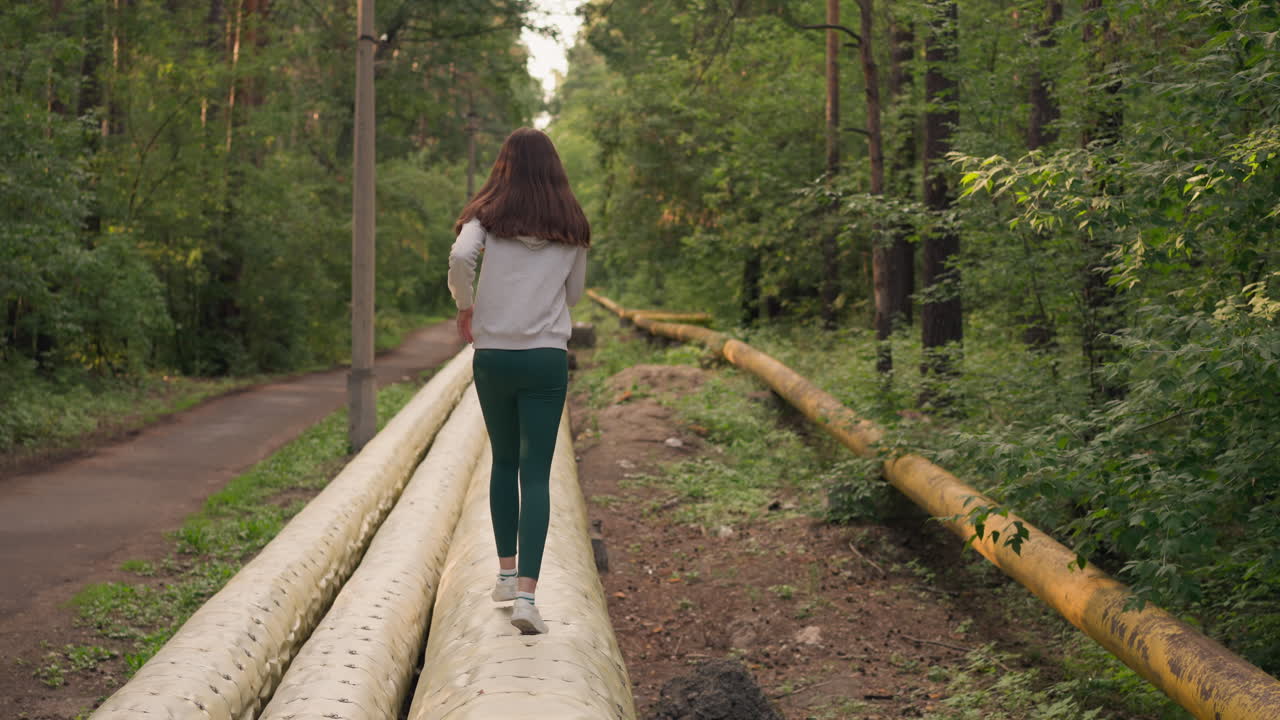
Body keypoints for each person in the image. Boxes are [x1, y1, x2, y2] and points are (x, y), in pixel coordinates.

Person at [447, 127, 589, 635]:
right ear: (554, 168)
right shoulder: (571, 222)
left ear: (504, 166)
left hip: (494, 357)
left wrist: (467, 307)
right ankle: (528, 596)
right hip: (545, 358)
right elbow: (573, 296)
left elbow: (462, 259)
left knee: (503, 462)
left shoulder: (485, 215)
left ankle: (505, 575)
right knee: (536, 472)